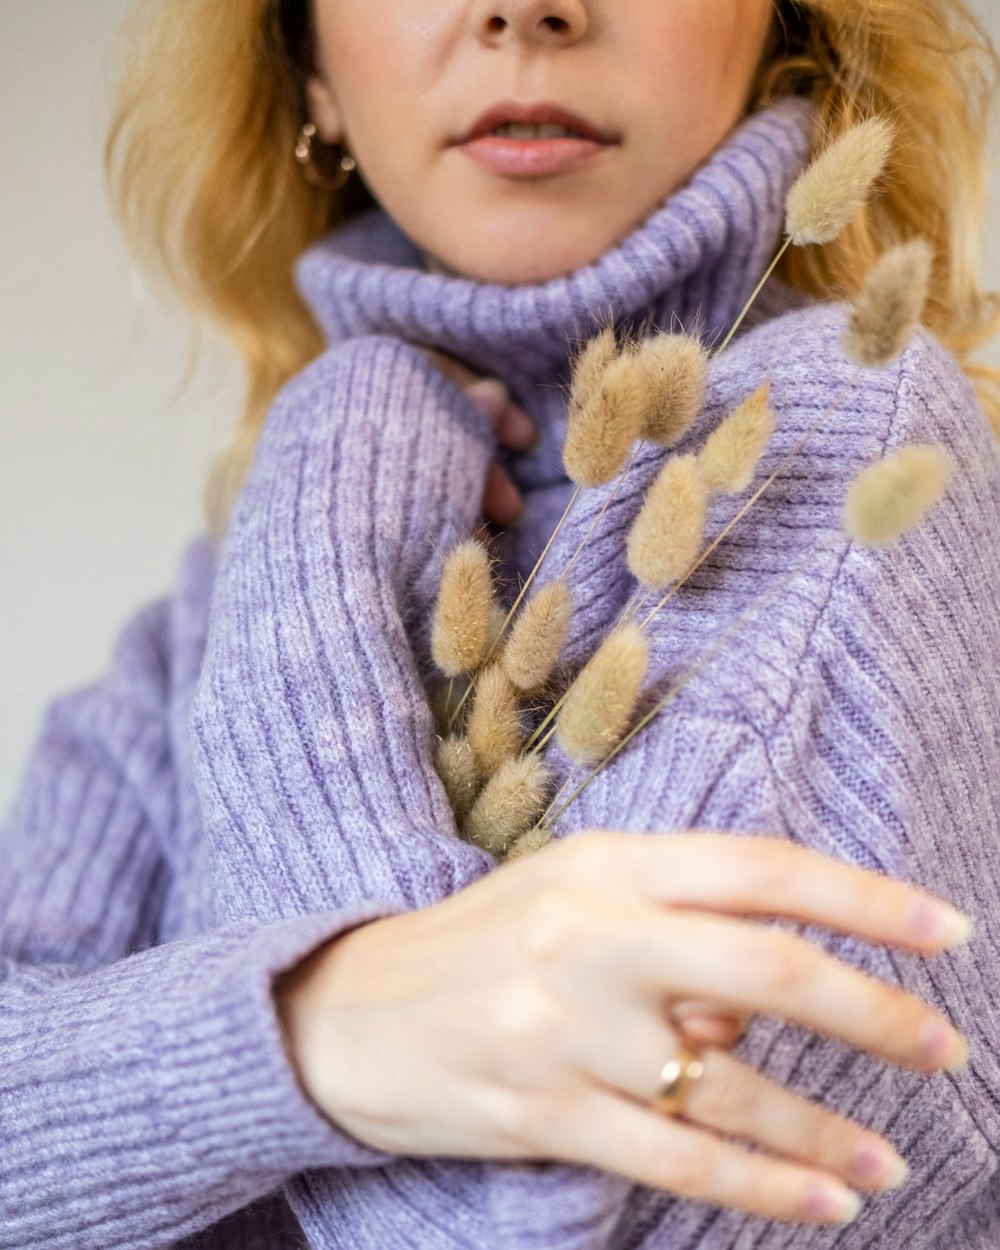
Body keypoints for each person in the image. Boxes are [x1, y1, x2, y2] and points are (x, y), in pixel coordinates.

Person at [2, 1, 999, 1247]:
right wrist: (317, 1017)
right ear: (306, 67)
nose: (526, 8)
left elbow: (500, 1223)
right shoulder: (203, 622)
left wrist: (325, 490)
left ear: (782, 25)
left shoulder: (846, 465)